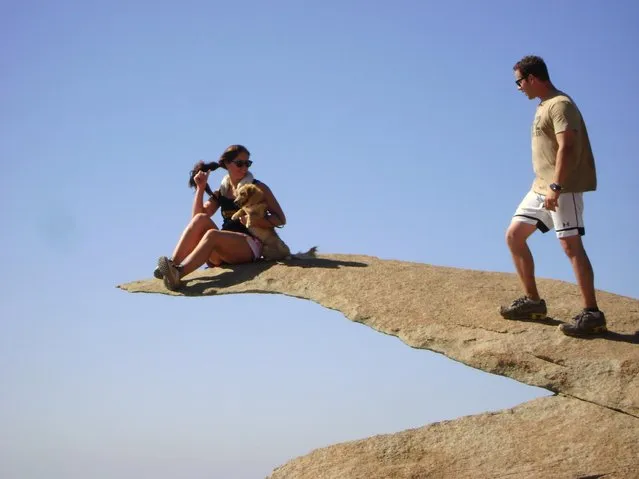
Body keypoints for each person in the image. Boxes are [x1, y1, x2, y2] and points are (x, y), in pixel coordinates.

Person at [500, 55, 606, 337]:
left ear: (533, 78)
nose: (518, 87)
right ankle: (533, 303)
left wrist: (556, 186)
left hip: (563, 187)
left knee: (571, 246)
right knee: (514, 235)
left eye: (520, 81)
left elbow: (567, 146)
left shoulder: (560, 105)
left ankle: (592, 314)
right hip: (540, 187)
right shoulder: (543, 105)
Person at [155, 144, 287, 291]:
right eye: (239, 163)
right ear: (227, 164)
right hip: (225, 249)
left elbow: (281, 219)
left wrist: (256, 221)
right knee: (200, 219)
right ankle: (172, 265)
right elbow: (196, 217)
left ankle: (178, 274)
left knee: (212, 235)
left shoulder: (257, 188)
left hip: (250, 247)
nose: (244, 168)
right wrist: (200, 188)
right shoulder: (222, 191)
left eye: (247, 163)